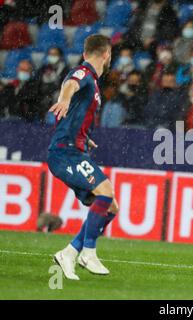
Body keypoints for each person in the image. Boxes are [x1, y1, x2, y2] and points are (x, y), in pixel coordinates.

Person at [47, 34, 119, 280]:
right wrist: (64, 99)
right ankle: (88, 252)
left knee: (110, 206)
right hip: (65, 152)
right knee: (106, 191)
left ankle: (70, 252)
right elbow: (70, 85)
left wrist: (84, 134)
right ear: (106, 54)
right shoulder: (84, 73)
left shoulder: (94, 84)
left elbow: (77, 108)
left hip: (75, 148)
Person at [36, 47, 69, 121]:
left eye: (55, 54)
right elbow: (37, 83)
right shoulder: (43, 69)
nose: (52, 56)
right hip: (43, 96)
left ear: (60, 56)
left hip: (57, 98)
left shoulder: (65, 69)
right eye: (50, 54)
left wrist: (51, 88)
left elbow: (64, 86)